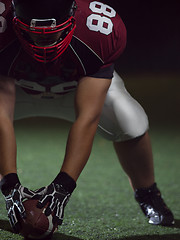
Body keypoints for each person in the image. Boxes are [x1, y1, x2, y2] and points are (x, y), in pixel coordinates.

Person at [0, 0, 174, 235]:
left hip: (76, 88)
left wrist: (64, 184)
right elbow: (1, 114)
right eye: (34, 33)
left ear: (73, 12)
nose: (44, 41)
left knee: (129, 119)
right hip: (19, 89)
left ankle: (148, 194)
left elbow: (88, 117)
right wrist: (9, 184)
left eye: (53, 32)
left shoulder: (98, 30)